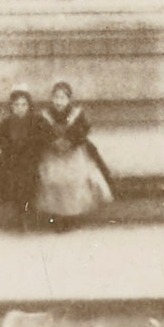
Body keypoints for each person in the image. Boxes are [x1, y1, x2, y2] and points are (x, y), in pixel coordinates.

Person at [34, 81, 113, 230]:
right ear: (52, 99)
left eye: (63, 98)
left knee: (75, 179)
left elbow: (83, 131)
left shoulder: (77, 114)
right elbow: (41, 132)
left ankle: (71, 217)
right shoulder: (45, 115)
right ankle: (56, 217)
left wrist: (70, 142)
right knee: (52, 179)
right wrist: (54, 142)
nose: (59, 102)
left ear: (69, 100)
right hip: (52, 154)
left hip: (74, 153)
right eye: (56, 97)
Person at [0, 85, 47, 228]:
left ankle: (26, 213)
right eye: (17, 105)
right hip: (12, 157)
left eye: (24, 104)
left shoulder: (36, 121)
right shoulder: (7, 122)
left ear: (29, 106)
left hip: (30, 157)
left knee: (27, 177)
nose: (20, 108)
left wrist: (32, 146)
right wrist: (11, 147)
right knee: (10, 176)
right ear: (11, 107)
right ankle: (18, 213)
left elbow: (45, 138)